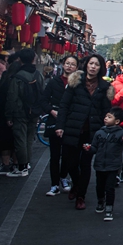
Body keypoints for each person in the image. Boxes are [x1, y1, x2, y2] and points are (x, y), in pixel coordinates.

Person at [55, 55, 112, 210]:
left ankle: (81, 195)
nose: (93, 67)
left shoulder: (104, 87)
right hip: (72, 128)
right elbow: (64, 105)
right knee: (70, 162)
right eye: (91, 63)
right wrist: (60, 126)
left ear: (101, 68)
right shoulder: (75, 82)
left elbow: (106, 111)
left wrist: (106, 130)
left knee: (85, 164)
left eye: (97, 64)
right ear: (86, 65)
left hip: (91, 132)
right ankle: (76, 184)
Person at [3, 49, 43, 178]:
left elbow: (12, 98)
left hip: (20, 112)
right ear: (33, 59)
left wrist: (9, 115)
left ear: (20, 59)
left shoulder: (18, 77)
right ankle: (27, 164)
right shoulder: (38, 75)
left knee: (20, 139)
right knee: (29, 139)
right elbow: (43, 94)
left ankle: (22, 167)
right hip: (35, 112)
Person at [43, 55, 78, 193]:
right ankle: (54, 184)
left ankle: (63, 176)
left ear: (77, 67)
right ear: (63, 65)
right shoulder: (54, 82)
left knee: (68, 154)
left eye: (72, 64)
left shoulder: (78, 84)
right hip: (55, 120)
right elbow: (44, 100)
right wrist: (51, 111)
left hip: (71, 122)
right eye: (67, 63)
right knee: (55, 154)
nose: (69, 66)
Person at [89, 107, 123, 220]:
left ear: (117, 121)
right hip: (100, 164)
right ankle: (101, 201)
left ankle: (109, 207)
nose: (106, 118)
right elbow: (94, 147)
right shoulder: (100, 132)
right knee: (99, 186)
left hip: (113, 165)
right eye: (106, 116)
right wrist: (89, 148)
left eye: (109, 117)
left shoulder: (121, 133)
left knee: (110, 187)